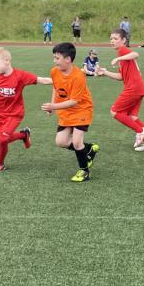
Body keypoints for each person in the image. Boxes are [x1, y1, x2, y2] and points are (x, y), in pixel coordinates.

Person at [41, 42, 98, 182]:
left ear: (67, 59)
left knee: (77, 142)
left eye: (57, 58)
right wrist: (52, 105)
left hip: (82, 110)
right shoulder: (54, 71)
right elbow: (55, 87)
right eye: (54, 57)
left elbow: (74, 101)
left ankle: (84, 171)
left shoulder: (78, 76)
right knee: (61, 142)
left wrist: (54, 106)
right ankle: (89, 149)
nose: (54, 61)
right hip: (65, 111)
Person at [94, 29, 144, 152]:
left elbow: (136, 54)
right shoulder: (121, 55)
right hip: (139, 88)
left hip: (134, 88)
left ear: (123, 40)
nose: (112, 41)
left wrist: (118, 59)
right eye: (111, 39)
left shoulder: (122, 50)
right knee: (132, 117)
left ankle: (140, 131)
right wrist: (105, 72)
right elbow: (120, 77)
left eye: (115, 39)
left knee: (115, 112)